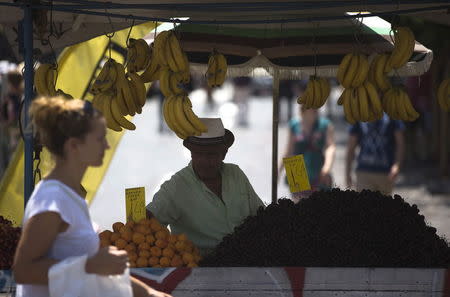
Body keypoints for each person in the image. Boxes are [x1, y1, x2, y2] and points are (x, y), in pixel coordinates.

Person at [13, 96, 171, 297]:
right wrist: (89, 265)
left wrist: (149, 294)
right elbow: (24, 270)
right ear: (74, 146)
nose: (106, 146)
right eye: (99, 138)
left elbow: (90, 271)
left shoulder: (70, 196)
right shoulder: (52, 199)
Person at [146, 118, 265, 256]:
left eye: (211, 155)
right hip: (199, 268)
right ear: (191, 153)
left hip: (246, 262)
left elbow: (261, 215)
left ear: (224, 153)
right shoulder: (177, 186)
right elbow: (148, 219)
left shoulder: (236, 174)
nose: (204, 161)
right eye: (198, 154)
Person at [279, 105, 336, 201]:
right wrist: (278, 170)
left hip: (317, 165)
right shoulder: (294, 124)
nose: (315, 110)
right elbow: (289, 150)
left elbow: (330, 147)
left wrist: (327, 167)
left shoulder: (325, 124)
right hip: (296, 167)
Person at [346, 113, 405, 195]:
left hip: (386, 173)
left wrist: (396, 165)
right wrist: (348, 172)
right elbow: (351, 146)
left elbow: (400, 143)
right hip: (364, 172)